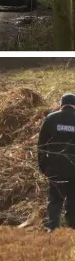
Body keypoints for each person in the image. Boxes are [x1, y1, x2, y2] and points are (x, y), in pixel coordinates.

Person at [38, 93, 75, 232]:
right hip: (74, 170)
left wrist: (44, 166)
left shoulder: (51, 119)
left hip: (55, 169)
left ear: (61, 104)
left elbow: (41, 145)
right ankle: (72, 233)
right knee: (73, 202)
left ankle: (52, 231)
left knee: (55, 202)